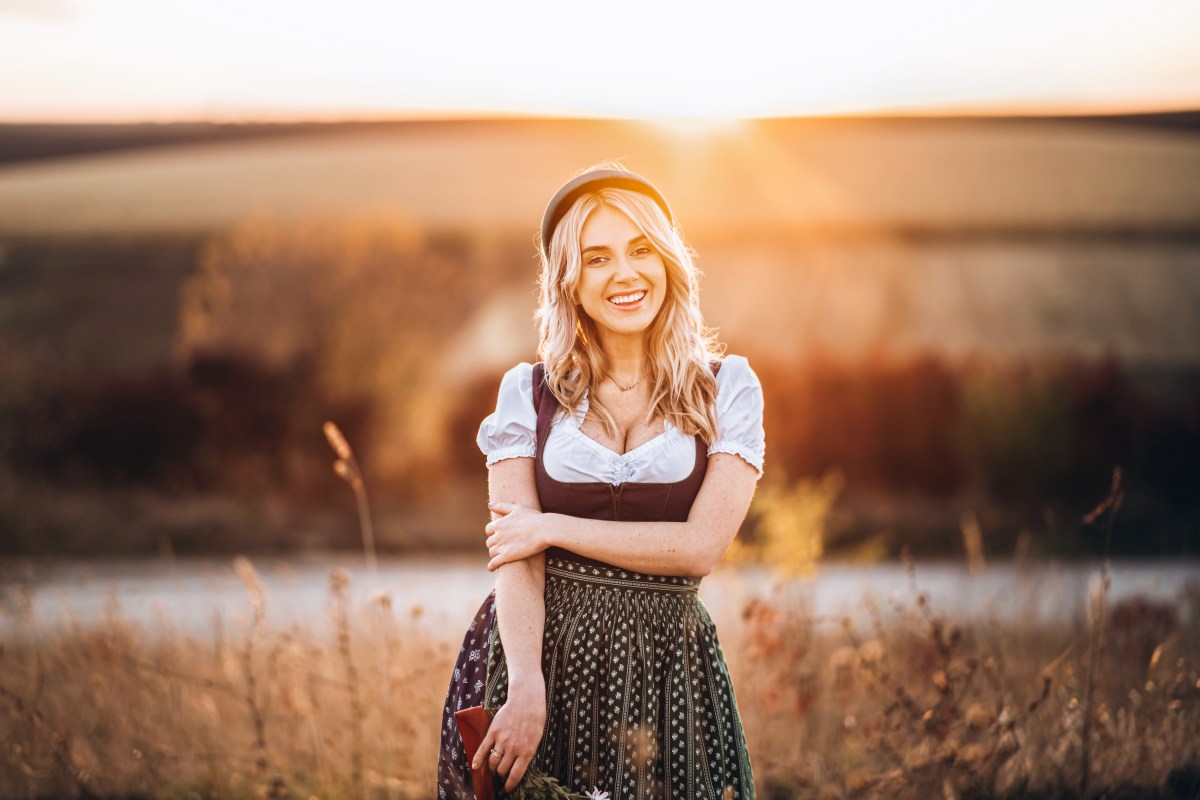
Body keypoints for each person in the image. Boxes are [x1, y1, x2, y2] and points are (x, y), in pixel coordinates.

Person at [437, 164, 764, 799]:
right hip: (539, 658)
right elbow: (516, 559)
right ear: (570, 281)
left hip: (667, 667)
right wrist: (526, 685)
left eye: (641, 249)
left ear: (668, 261)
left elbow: (700, 547)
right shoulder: (525, 395)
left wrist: (552, 526)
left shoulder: (727, 390)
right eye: (597, 258)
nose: (625, 274)